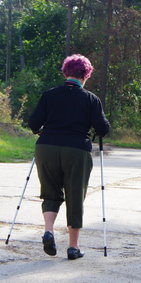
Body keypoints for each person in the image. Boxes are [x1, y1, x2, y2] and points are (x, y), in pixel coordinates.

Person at [29, 54, 110, 260]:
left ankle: (49, 231)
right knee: (75, 196)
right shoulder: (91, 99)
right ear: (86, 75)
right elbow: (102, 129)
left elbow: (33, 124)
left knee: (50, 192)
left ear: (65, 72)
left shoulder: (49, 95)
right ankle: (73, 247)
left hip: (46, 147)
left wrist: (45, 131)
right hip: (76, 150)